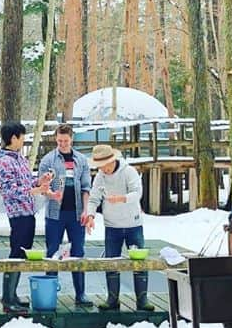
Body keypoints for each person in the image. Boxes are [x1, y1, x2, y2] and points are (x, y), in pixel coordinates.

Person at [85, 143, 153, 312]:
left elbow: (137, 192)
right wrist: (91, 215)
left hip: (133, 224)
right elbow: (94, 198)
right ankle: (112, 299)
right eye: (99, 166)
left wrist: (122, 198)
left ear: (112, 160)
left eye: (104, 165)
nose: (103, 169)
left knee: (138, 261)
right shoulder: (100, 176)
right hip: (112, 225)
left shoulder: (128, 171)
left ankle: (142, 299)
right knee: (111, 261)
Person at [0, 121, 54, 314]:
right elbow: (8, 190)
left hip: (28, 211)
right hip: (17, 213)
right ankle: (7, 298)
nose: (23, 141)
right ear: (13, 138)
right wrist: (34, 190)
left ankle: (12, 295)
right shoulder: (4, 161)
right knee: (16, 253)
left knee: (22, 252)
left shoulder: (19, 158)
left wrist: (40, 181)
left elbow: (27, 182)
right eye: (22, 137)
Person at [37, 123, 93, 306]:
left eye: (66, 141)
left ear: (72, 139)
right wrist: (50, 191)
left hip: (76, 214)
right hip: (55, 214)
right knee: (52, 252)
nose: (62, 144)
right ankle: (49, 294)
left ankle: (81, 294)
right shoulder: (47, 160)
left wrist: (86, 210)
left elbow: (86, 188)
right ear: (55, 139)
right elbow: (41, 187)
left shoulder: (82, 160)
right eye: (59, 140)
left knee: (78, 252)